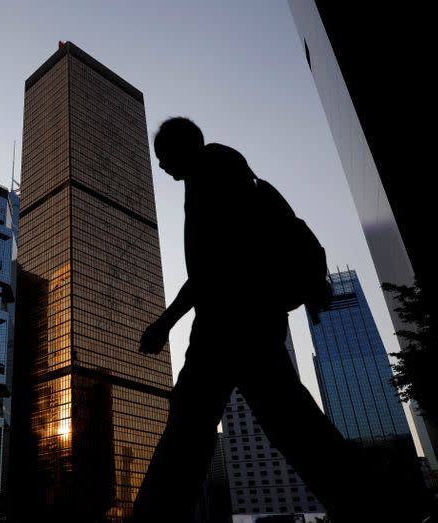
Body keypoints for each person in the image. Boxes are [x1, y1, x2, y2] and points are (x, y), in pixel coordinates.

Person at [132, 117, 429, 523]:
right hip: (252, 321)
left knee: (191, 429)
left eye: (163, 157)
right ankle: (369, 507)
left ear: (183, 147)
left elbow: (212, 269)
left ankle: (155, 519)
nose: (162, 167)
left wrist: (164, 323)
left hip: (228, 325)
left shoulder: (210, 174)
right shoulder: (226, 171)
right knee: (291, 424)